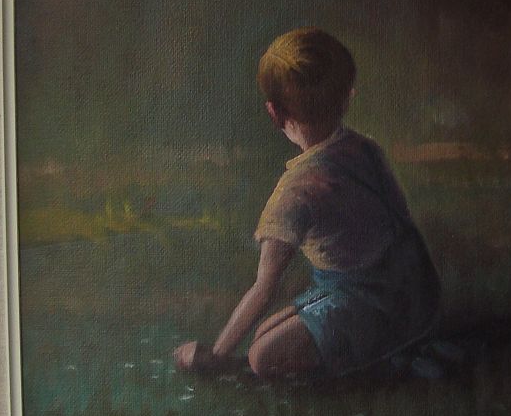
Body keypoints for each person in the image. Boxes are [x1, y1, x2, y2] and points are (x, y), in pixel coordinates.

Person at [173, 28, 440, 379]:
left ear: (274, 113)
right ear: (346, 98)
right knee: (264, 332)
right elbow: (399, 224)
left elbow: (264, 287)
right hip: (416, 291)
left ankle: (377, 360)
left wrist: (218, 354)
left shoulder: (296, 191)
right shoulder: (366, 150)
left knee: (261, 356)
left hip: (374, 304)